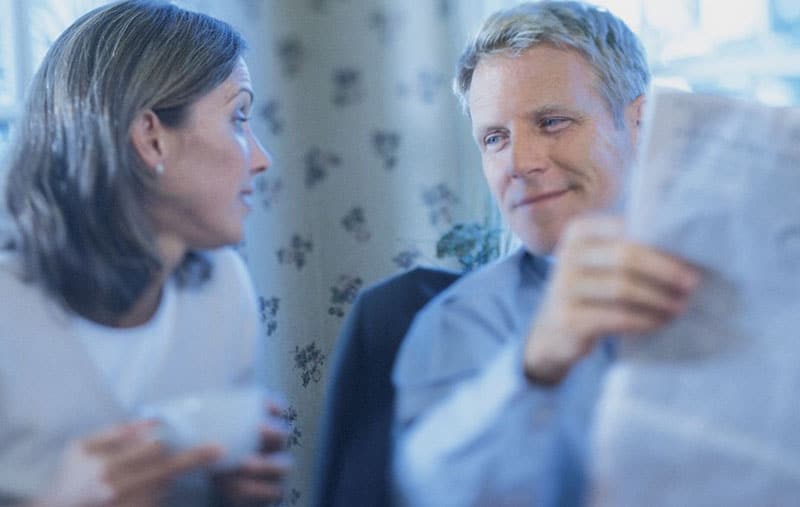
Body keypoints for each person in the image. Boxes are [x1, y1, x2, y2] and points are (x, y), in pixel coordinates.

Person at [391, 2, 702, 506]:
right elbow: (432, 493)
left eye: (552, 122)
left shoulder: (752, 280)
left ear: (640, 123)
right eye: (495, 138)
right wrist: (531, 368)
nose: (519, 162)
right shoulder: (457, 324)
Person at [0, 1, 291, 505]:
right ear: (152, 138)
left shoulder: (223, 287)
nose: (262, 160)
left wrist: (229, 491)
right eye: (238, 117)